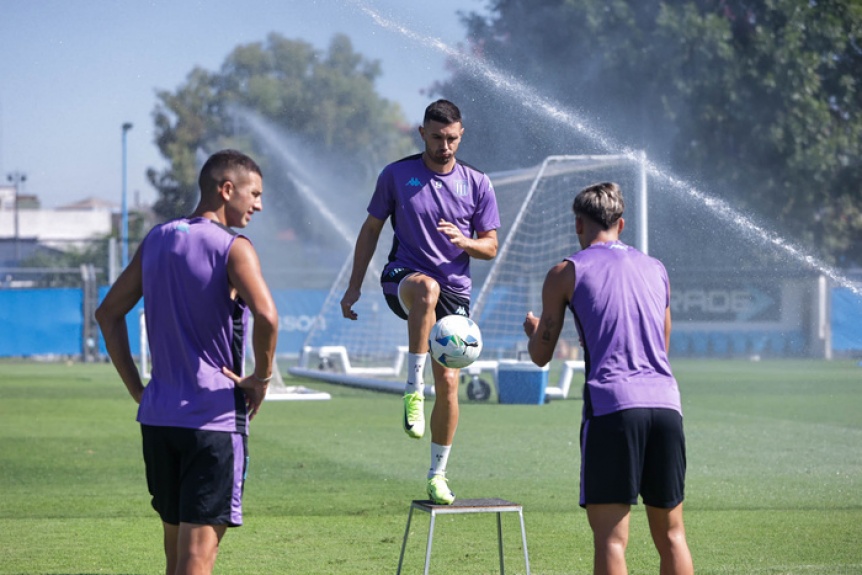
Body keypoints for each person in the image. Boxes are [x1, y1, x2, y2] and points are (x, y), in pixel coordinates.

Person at [95, 149, 279, 575]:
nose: (259, 204)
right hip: (211, 420)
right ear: (226, 189)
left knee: (177, 556)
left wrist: (138, 390)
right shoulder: (234, 247)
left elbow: (107, 314)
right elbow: (268, 316)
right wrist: (261, 378)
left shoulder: (158, 238)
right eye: (254, 193)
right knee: (197, 560)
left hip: (159, 418)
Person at [522, 182, 694, 575]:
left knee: (612, 540)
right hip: (667, 406)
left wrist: (534, 331)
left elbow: (541, 355)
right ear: (621, 223)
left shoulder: (566, 271)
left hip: (613, 408)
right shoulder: (656, 268)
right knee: (672, 536)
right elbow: (662, 347)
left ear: (578, 225)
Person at [340, 99, 500, 505]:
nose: (444, 146)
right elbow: (371, 229)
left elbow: (491, 246)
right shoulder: (397, 175)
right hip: (404, 280)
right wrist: (354, 285)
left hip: (456, 293)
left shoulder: (478, 182)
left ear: (461, 135)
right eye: (436, 137)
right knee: (426, 289)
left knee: (450, 383)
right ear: (422, 133)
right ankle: (413, 389)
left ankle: (437, 474)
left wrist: (465, 242)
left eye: (451, 139)